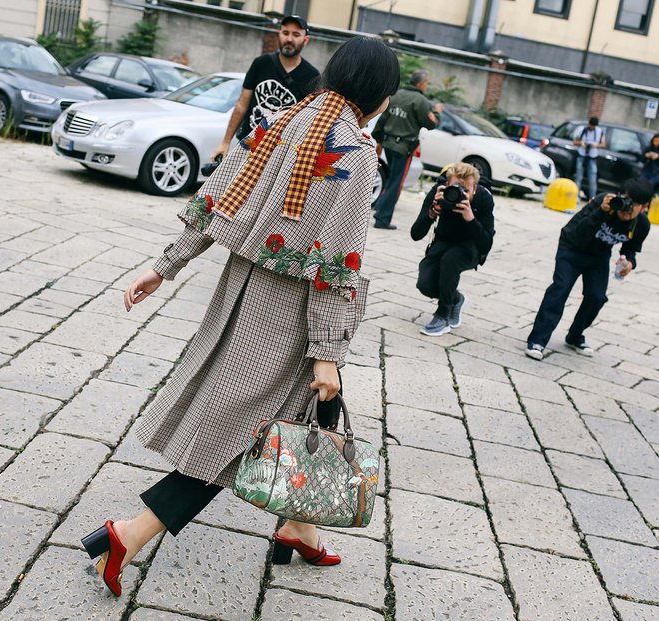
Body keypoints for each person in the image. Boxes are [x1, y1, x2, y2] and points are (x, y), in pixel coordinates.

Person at [81, 36, 401, 597]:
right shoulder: (355, 154)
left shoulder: (281, 122)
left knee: (294, 417)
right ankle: (128, 536)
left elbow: (218, 197)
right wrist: (327, 351)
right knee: (239, 434)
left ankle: (299, 527)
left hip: (238, 293)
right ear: (377, 96)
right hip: (288, 315)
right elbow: (337, 263)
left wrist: (166, 265)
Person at [525, 177, 652, 360]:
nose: (626, 207)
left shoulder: (642, 225)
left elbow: (630, 249)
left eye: (633, 204)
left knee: (597, 297)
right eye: (625, 199)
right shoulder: (604, 202)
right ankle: (538, 340)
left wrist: (630, 262)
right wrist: (601, 212)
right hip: (572, 247)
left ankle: (575, 336)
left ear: (644, 207)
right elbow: (580, 232)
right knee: (560, 288)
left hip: (599, 255)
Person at [209, 15, 320, 162]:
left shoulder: (311, 76)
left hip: (277, 154)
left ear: (306, 40)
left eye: (296, 34)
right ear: (279, 35)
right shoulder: (261, 64)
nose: (289, 39)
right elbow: (242, 105)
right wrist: (225, 142)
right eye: (285, 33)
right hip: (247, 144)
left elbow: (307, 123)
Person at [411, 163, 495, 336]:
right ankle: (456, 299)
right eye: (455, 187)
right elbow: (416, 234)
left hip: (471, 246)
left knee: (451, 259)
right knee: (425, 285)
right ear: (447, 185)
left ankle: (443, 316)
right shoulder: (439, 193)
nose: (459, 193)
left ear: (475, 188)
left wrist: (471, 218)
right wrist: (432, 212)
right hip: (444, 240)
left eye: (465, 189)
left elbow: (486, 244)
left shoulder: (484, 198)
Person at [370, 69, 443, 230]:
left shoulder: (396, 95)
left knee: (391, 180)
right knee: (397, 183)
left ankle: (380, 210)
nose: (427, 86)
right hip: (404, 148)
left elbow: (382, 119)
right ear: (422, 84)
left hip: (388, 144)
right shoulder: (420, 101)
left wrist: (379, 140)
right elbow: (431, 124)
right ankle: (382, 219)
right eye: (427, 83)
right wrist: (437, 113)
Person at [573, 116, 606, 201]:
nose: (591, 127)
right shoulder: (582, 130)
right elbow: (574, 142)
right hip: (582, 155)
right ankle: (576, 196)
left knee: (592, 179)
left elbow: (603, 144)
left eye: (593, 126)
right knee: (578, 177)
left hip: (592, 157)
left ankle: (592, 198)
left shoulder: (599, 131)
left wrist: (595, 145)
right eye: (591, 125)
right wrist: (581, 143)